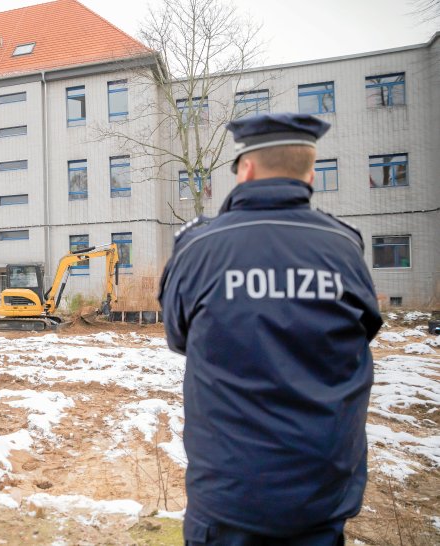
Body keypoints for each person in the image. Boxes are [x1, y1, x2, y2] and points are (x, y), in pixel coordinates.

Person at [159, 113, 381, 545]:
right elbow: (365, 332)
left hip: (228, 496)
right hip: (322, 497)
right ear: (310, 172)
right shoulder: (345, 248)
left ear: (247, 168)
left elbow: (177, 337)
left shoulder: (201, 248)